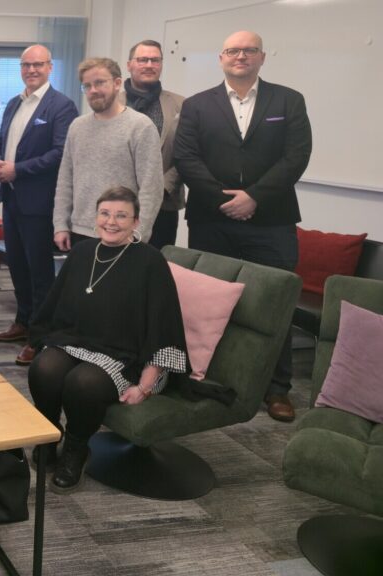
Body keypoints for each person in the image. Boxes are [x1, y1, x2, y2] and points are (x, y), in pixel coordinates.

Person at [174, 30, 312, 422]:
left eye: (249, 50)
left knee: (276, 303)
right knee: (208, 303)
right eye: (233, 51)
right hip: (210, 220)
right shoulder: (197, 105)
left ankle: (277, 388)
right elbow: (186, 157)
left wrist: (254, 197)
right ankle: (209, 376)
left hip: (272, 221)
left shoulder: (288, 100)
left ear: (262, 57)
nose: (241, 56)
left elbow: (297, 156)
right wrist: (224, 200)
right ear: (221, 58)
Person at [27, 186, 188, 494]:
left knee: (82, 383)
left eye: (121, 216)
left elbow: (163, 325)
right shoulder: (82, 252)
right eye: (105, 213)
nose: (111, 222)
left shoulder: (150, 261)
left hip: (124, 355)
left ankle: (76, 448)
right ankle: (49, 434)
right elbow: (56, 307)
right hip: (76, 341)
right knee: (43, 368)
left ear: (136, 222)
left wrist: (145, 385)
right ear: (96, 217)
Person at [0, 44, 78, 365]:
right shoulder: (14, 102)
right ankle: (23, 321)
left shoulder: (61, 106)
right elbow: (1, 140)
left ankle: (40, 338)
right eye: (26, 65)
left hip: (40, 203)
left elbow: (60, 154)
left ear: (50, 67)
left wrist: (18, 169)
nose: (31, 70)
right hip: (12, 198)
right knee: (17, 266)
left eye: (38, 64)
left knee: (39, 272)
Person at [53, 57, 163, 257]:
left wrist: (138, 235)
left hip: (121, 235)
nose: (93, 90)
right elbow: (65, 181)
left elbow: (151, 188)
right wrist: (60, 224)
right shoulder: (77, 127)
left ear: (117, 83)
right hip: (80, 231)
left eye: (100, 83)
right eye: (87, 86)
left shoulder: (140, 126)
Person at [119, 40, 186, 249]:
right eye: (142, 60)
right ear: (129, 64)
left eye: (155, 60)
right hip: (117, 202)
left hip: (163, 203)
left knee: (156, 263)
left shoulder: (182, 105)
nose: (149, 65)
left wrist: (161, 187)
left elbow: (187, 153)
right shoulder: (111, 103)